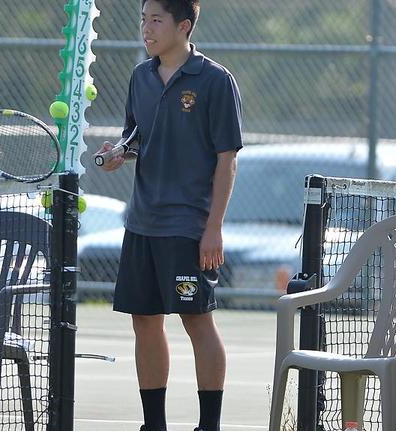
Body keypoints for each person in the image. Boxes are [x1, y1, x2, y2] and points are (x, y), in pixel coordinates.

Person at [94, 1, 242, 430]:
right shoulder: (139, 76)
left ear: (184, 25)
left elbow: (226, 160)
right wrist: (119, 154)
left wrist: (212, 227)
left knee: (197, 321)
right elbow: (136, 138)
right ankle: (153, 425)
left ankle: (208, 425)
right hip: (142, 222)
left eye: (156, 19)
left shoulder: (216, 81)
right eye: (143, 19)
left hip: (189, 226)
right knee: (145, 321)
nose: (146, 28)